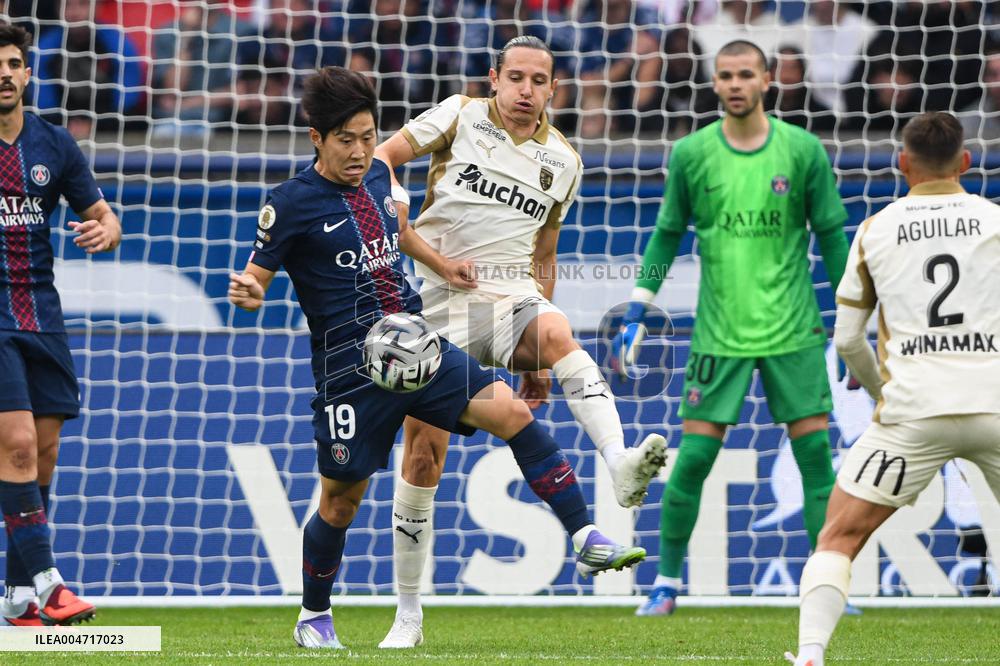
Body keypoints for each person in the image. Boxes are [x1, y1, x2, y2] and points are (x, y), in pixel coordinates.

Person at [227, 65, 646, 651]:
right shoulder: (290, 203)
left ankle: (585, 535)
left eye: (368, 136)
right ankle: (313, 614)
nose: (360, 150)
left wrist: (444, 266)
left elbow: (399, 233)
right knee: (340, 503)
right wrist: (248, 291)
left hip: (417, 347)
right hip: (350, 371)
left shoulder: (379, 178)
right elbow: (256, 279)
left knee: (514, 416)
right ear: (316, 138)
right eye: (345, 139)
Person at [372, 35, 667, 648]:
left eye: (539, 81)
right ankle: (407, 612)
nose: (527, 92)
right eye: (517, 79)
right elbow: (381, 163)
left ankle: (618, 464)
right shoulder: (458, 115)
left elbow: (546, 254)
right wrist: (430, 254)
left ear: (553, 90)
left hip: (505, 298)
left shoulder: (564, 161)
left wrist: (537, 358)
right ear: (495, 79)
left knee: (559, 332)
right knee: (423, 456)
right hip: (429, 303)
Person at [614, 39, 850, 616]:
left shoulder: (803, 151)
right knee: (692, 461)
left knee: (817, 462)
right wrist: (638, 308)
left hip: (794, 332)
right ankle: (666, 584)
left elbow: (832, 235)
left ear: (767, 80)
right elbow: (667, 234)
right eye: (726, 75)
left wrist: (850, 317)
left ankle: (827, 586)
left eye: (746, 74)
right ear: (715, 84)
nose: (736, 83)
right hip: (720, 336)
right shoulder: (694, 153)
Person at [785, 111, 1000, 665]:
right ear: (966, 163)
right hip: (993, 404)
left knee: (836, 539)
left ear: (902, 164)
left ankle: (810, 656)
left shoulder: (876, 228)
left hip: (912, 412)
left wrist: (883, 392)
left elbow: (849, 339)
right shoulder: (994, 222)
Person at [0, 21, 120, 626]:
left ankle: (16, 596)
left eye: (13, 63)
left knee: (42, 456)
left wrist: (105, 227)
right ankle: (49, 587)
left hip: (41, 315)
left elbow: (103, 213)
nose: (3, 73)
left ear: (28, 72)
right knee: (16, 446)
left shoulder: (53, 145)